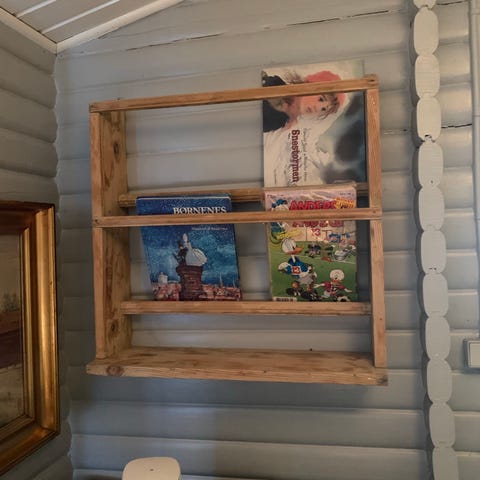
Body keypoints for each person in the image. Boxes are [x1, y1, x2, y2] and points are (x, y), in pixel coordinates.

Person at [262, 70, 345, 132]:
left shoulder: (279, 121)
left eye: (324, 109)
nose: (317, 108)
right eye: (321, 99)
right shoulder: (275, 83)